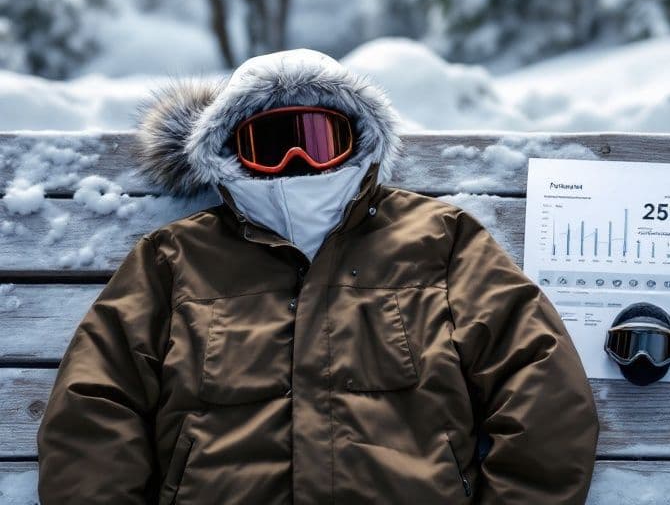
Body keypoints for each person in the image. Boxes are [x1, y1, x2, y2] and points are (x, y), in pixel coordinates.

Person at [35, 48, 601, 504]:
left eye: (320, 139)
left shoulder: (438, 242)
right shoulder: (175, 260)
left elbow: (539, 381)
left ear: (358, 141)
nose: (297, 162)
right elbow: (97, 402)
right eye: (272, 146)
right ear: (231, 152)